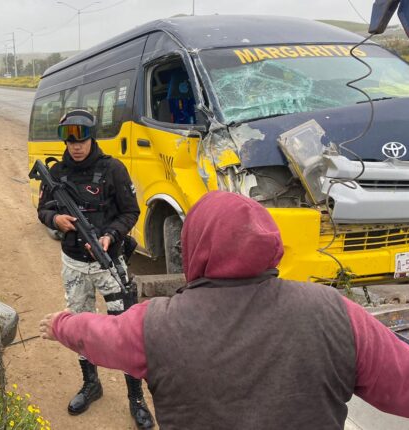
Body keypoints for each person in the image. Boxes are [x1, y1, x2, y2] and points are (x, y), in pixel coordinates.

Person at [40, 190, 409, 429]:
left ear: (194, 245)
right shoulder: (335, 311)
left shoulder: (154, 324)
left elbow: (98, 336)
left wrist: (60, 324)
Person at [36, 109, 154, 428]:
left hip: (109, 263)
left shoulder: (113, 169)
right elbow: (43, 209)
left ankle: (136, 398)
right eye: (68, 138)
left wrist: (110, 235)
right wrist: (55, 220)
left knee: (125, 330)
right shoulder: (57, 172)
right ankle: (92, 385)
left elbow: (131, 212)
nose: (75, 145)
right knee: (78, 325)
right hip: (73, 264)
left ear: (92, 136)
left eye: (82, 137)